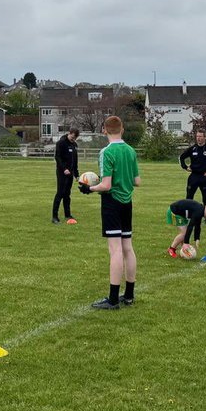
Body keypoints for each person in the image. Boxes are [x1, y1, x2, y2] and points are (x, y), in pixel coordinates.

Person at [78, 115, 140, 309]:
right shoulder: (130, 150)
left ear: (104, 130)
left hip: (112, 203)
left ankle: (113, 299)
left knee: (115, 251)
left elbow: (106, 185)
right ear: (122, 129)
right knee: (128, 248)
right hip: (127, 202)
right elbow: (137, 181)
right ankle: (129, 295)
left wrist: (89, 188)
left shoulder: (106, 152)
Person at [53, 128, 81, 224]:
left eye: (75, 138)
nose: (74, 139)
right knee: (60, 193)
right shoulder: (61, 143)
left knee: (67, 194)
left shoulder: (74, 145)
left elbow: (75, 160)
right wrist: (64, 169)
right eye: (73, 137)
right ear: (69, 133)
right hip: (62, 172)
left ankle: (67, 214)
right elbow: (57, 157)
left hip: (71, 173)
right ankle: (54, 217)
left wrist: (76, 174)